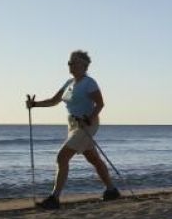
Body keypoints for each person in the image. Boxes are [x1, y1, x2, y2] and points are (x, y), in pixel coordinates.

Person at [26, 50, 120, 210]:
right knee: (93, 159)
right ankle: (112, 190)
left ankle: (54, 198)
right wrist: (35, 105)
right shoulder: (69, 83)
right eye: (69, 63)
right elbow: (54, 101)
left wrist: (89, 118)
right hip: (73, 125)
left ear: (84, 65)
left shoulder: (89, 82)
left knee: (62, 157)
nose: (70, 65)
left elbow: (100, 104)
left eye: (74, 62)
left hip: (86, 124)